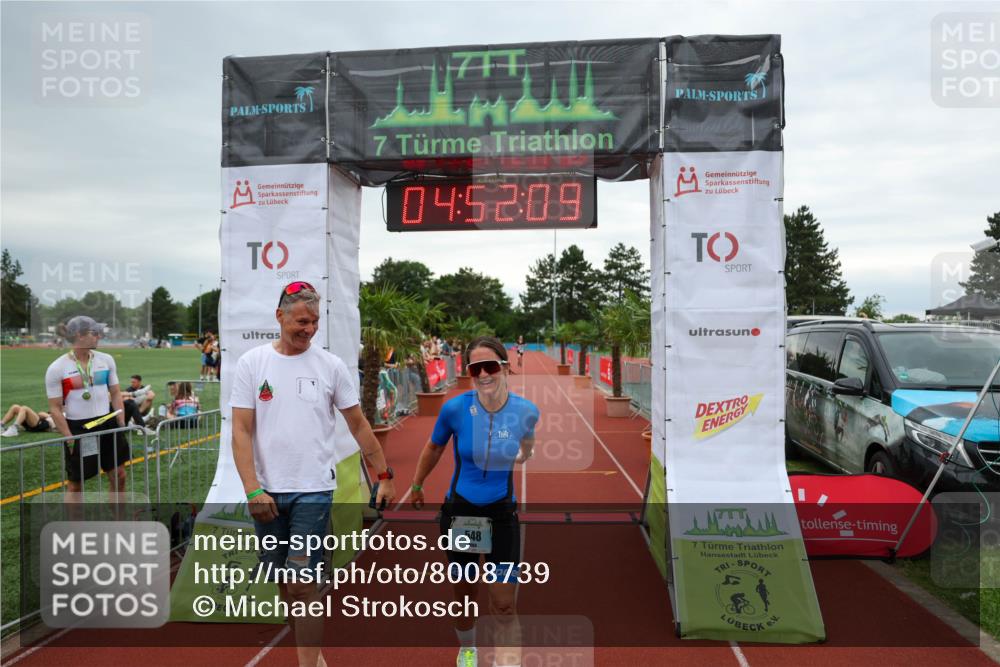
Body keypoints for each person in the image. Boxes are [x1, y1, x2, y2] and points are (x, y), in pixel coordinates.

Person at [231, 281, 395, 667]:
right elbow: (240, 430)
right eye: (301, 321)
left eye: (314, 322)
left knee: (304, 584)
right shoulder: (252, 363)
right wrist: (253, 490)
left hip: (313, 493)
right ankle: (313, 656)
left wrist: (383, 472)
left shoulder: (330, 366)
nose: (309, 329)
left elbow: (358, 425)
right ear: (279, 316)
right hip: (268, 493)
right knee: (286, 585)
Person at [410, 336, 539, 667]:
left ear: (505, 367)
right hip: (462, 513)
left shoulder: (526, 411)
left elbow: (528, 443)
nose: (483, 374)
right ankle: (468, 649)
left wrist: (525, 452)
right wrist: (417, 484)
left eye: (490, 366)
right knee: (465, 594)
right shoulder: (455, 409)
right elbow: (434, 447)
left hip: (501, 514)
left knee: (503, 601)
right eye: (475, 368)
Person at [44, 315, 129, 496]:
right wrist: (68, 436)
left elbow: (114, 393)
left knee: (119, 476)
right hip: (80, 428)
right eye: (94, 333)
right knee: (76, 485)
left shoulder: (106, 359)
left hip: (108, 423)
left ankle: (119, 521)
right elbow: (55, 408)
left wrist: (120, 422)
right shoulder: (57, 368)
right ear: (80, 335)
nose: (99, 336)